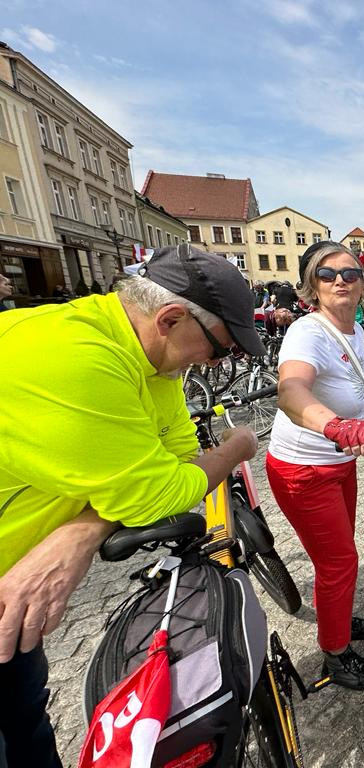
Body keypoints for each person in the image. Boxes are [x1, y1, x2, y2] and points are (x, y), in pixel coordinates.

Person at [0, 244, 263, 766]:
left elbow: (180, 457)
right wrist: (239, 447)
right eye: (219, 349)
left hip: (18, 583)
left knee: (25, 717)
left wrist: (80, 530)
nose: (216, 363)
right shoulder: (75, 355)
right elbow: (163, 491)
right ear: (170, 318)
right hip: (17, 574)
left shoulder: (148, 361)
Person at [267, 240, 364, 691]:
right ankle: (335, 656)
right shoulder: (307, 332)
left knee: (337, 558)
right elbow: (291, 390)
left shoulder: (355, 330)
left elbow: (363, 391)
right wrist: (334, 425)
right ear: (311, 288)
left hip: (339, 464)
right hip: (305, 469)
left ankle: (335, 619)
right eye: (327, 274)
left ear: (362, 286)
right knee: (339, 561)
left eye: (350, 273)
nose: (340, 280)